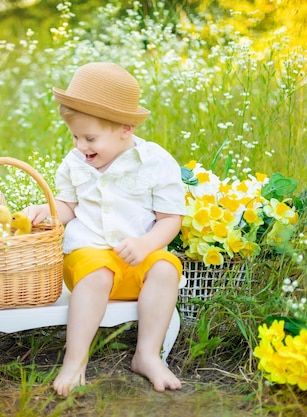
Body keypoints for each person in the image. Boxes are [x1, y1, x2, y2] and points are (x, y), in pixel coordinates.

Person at [24, 62, 186, 397]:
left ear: (125, 128)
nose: (81, 146)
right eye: (75, 136)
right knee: (97, 273)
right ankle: (75, 360)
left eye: (90, 138)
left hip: (137, 257)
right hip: (89, 259)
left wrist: (145, 245)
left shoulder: (156, 161)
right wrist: (47, 211)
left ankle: (147, 355)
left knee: (167, 269)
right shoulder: (75, 163)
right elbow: (68, 207)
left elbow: (170, 218)